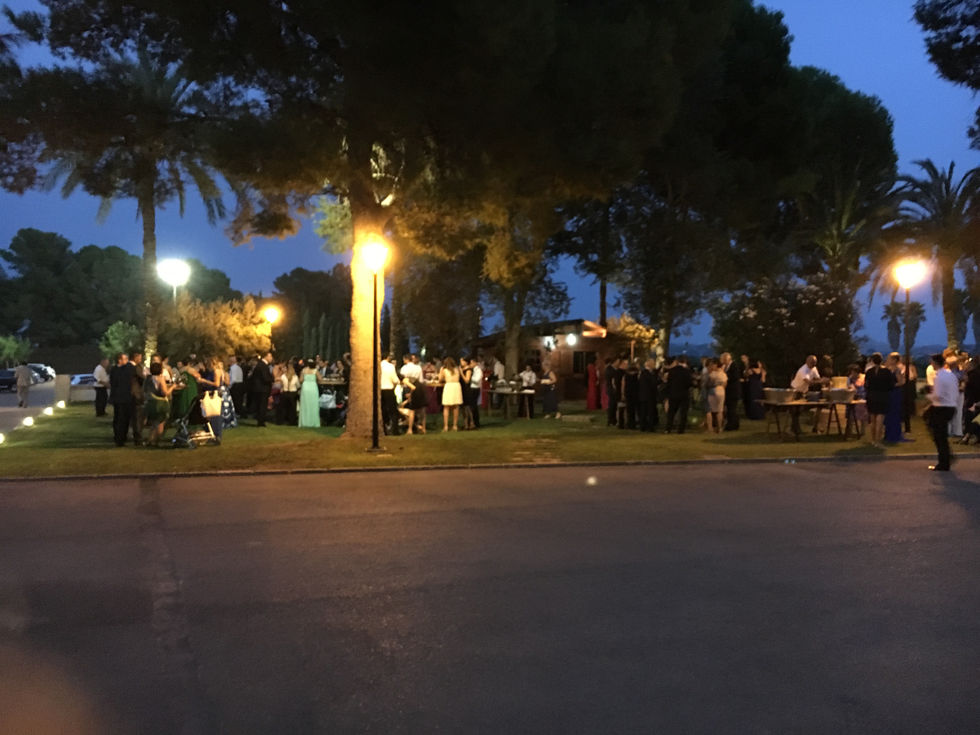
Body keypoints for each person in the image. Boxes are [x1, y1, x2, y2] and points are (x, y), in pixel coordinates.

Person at [926, 353, 959, 471]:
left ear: (935, 363)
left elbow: (938, 395)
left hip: (941, 408)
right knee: (941, 435)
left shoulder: (939, 377)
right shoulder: (951, 375)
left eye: (931, 362)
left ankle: (944, 461)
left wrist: (928, 396)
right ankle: (946, 458)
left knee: (939, 436)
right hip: (951, 406)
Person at [864, 353, 895, 448]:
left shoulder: (869, 372)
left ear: (873, 361)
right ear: (881, 361)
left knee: (873, 420)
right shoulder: (886, 371)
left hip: (871, 396)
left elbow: (866, 385)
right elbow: (891, 385)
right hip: (883, 396)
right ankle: (878, 440)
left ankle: (873, 440)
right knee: (880, 420)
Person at [143, 362, 175, 447]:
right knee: (160, 422)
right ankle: (156, 441)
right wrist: (173, 387)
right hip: (159, 403)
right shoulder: (160, 379)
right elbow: (165, 393)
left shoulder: (148, 379)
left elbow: (144, 391)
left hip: (150, 403)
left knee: (153, 423)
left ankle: (150, 440)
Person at [108, 353, 135, 447]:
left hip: (122, 397)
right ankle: (119, 438)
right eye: (125, 359)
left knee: (123, 418)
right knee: (121, 418)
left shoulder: (117, 369)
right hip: (121, 398)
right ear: (120, 360)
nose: (127, 360)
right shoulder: (119, 370)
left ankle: (121, 437)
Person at [665, 355, 693, 433]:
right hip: (684, 394)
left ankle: (668, 428)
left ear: (677, 362)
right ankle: (681, 429)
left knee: (671, 412)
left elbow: (669, 383)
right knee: (683, 413)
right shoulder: (686, 371)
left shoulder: (672, 371)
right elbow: (689, 383)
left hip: (673, 394)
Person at [884, 352, 906, 442]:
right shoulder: (887, 369)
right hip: (888, 393)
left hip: (894, 393)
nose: (887, 360)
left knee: (894, 413)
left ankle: (894, 434)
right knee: (888, 414)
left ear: (894, 360)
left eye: (889, 359)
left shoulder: (897, 370)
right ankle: (888, 434)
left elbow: (901, 382)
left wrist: (892, 385)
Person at [249, 352, 274, 426]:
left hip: (259, 388)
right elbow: (265, 377)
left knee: (260, 404)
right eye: (270, 356)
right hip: (262, 389)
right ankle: (261, 421)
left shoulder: (260, 365)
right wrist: (272, 379)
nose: (271, 358)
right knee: (262, 405)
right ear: (266, 356)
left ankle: (260, 420)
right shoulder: (263, 365)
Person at [440, 357, 463, 431]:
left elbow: (440, 379)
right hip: (456, 386)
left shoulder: (444, 370)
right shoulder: (457, 369)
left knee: (446, 407)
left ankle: (446, 426)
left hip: (449, 386)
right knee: (456, 407)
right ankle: (455, 425)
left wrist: (441, 373)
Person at [705, 358, 728, 434]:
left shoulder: (712, 374)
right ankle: (720, 428)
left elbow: (708, 384)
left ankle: (710, 428)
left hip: (713, 391)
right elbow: (725, 384)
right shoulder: (723, 374)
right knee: (720, 410)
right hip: (721, 391)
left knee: (710, 410)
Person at [129, 352, 147, 446]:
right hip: (136, 394)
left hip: (128, 394)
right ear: (135, 357)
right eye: (139, 357)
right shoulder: (136, 367)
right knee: (137, 417)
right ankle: (138, 438)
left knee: (132, 417)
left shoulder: (125, 367)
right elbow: (142, 379)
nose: (140, 359)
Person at [380, 353, 400, 435]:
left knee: (382, 410)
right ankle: (395, 430)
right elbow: (395, 379)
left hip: (380, 391)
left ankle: (384, 429)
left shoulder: (378, 366)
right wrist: (397, 382)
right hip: (389, 389)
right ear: (388, 357)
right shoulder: (390, 366)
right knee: (393, 411)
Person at [637, 359, 659, 432]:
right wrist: (661, 380)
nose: (654, 365)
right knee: (649, 412)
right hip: (648, 396)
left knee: (644, 412)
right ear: (650, 364)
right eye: (653, 363)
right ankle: (649, 427)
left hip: (644, 396)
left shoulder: (644, 373)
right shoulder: (646, 373)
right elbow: (653, 383)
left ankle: (643, 426)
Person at [720, 352, 740, 431]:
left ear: (727, 359)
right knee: (730, 408)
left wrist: (724, 375)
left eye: (722, 360)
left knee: (732, 408)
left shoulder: (734, 366)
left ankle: (732, 425)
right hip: (728, 391)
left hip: (733, 391)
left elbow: (734, 377)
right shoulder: (726, 366)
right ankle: (732, 423)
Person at [298, 359, 321, 428]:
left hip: (305, 387)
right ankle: (313, 422)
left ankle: (304, 422)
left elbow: (300, 380)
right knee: (313, 404)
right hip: (313, 387)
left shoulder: (303, 370)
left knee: (305, 404)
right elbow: (320, 379)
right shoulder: (315, 371)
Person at [277, 361, 299, 425]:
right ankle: (292, 421)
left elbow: (281, 385)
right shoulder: (295, 377)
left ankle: (281, 421)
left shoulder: (283, 376)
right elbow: (298, 385)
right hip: (293, 393)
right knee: (292, 409)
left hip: (285, 392)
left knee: (283, 408)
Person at [467, 355, 483, 428]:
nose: (470, 364)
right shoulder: (473, 370)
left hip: (475, 388)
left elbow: (477, 380)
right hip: (472, 388)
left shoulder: (478, 370)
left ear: (475, 363)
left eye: (471, 363)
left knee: (474, 406)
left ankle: (476, 422)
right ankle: (472, 422)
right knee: (472, 405)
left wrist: (470, 377)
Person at [604, 356, 620, 427]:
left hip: (612, 389)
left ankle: (613, 420)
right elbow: (612, 381)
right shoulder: (610, 370)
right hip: (612, 390)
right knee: (612, 405)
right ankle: (611, 420)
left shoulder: (612, 369)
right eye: (618, 362)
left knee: (613, 405)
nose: (618, 363)